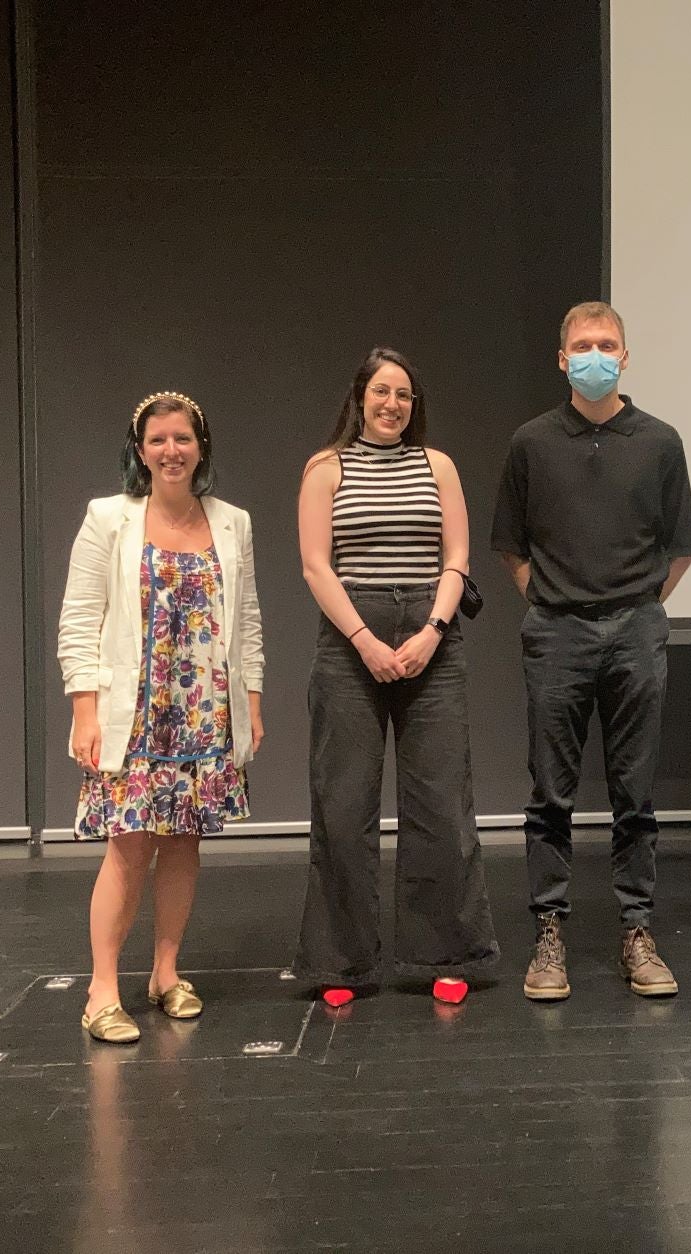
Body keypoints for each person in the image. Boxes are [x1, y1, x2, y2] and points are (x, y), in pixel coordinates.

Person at [491, 301, 691, 1001]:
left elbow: (679, 549)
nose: (595, 354)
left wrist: (634, 608)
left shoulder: (661, 442)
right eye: (582, 344)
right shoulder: (531, 442)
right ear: (561, 358)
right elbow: (511, 547)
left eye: (607, 343)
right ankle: (549, 934)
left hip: (636, 631)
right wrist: (557, 604)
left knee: (634, 795)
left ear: (626, 355)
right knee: (550, 793)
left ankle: (637, 931)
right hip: (556, 633)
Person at [292, 348, 499, 1006]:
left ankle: (446, 951)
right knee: (344, 805)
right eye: (382, 392)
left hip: (431, 637)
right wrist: (366, 641)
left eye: (404, 395)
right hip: (351, 638)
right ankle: (342, 963)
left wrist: (433, 631)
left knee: (441, 804)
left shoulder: (438, 466)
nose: (393, 405)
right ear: (359, 398)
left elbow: (458, 555)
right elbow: (316, 567)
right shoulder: (326, 468)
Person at [58, 391, 266, 1043]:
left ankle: (166, 972)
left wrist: (251, 704)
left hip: (203, 715)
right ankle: (100, 991)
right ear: (139, 449)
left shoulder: (232, 523)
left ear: (201, 446)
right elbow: (79, 618)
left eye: (182, 438)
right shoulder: (108, 519)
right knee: (127, 849)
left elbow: (248, 622)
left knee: (183, 845)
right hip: (135, 714)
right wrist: (83, 710)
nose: (170, 451)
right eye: (158, 440)